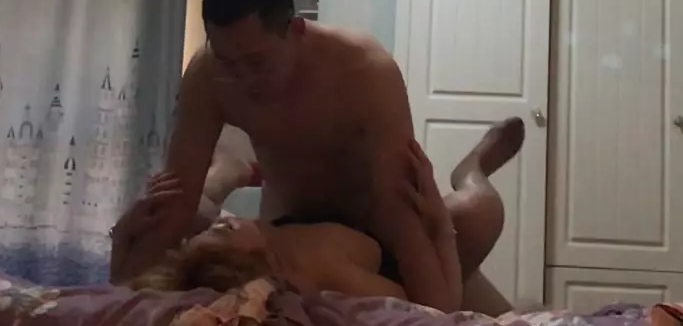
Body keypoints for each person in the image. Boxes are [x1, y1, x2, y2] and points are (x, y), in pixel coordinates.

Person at [133, 0, 517, 313]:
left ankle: (472, 169)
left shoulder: (364, 69)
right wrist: (134, 293)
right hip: (292, 223)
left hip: (375, 224)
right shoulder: (207, 76)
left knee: (478, 215)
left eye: (256, 62)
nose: (242, 79)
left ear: (296, 31)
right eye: (227, 64)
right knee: (481, 308)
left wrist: (436, 246)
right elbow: (175, 200)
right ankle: (226, 175)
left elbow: (398, 207)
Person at [110, 117, 522, 305]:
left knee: (191, 218)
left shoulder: (195, 275)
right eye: (226, 231)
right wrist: (436, 222)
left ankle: (225, 175)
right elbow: (433, 311)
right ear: (255, 261)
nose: (227, 221)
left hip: (309, 222)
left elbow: (122, 291)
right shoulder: (325, 276)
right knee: (479, 213)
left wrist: (125, 231)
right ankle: (472, 167)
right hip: (392, 256)